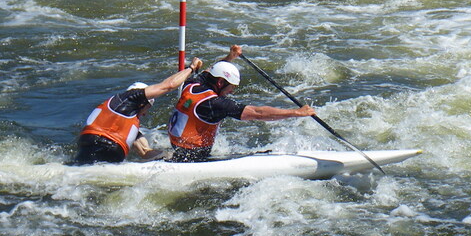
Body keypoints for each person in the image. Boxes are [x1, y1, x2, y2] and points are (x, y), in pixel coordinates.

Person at [167, 45, 315, 162]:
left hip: (177, 147)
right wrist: (296, 113)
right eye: (231, 87)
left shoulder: (192, 84)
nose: (231, 91)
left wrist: (230, 57)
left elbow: (211, 69)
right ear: (220, 82)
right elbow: (258, 113)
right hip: (194, 157)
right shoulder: (215, 104)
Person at [75, 58, 204, 164]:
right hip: (103, 149)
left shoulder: (122, 121)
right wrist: (191, 68)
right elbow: (168, 86)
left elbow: (145, 152)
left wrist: (172, 157)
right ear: (143, 101)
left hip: (88, 152)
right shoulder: (128, 99)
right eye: (148, 107)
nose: (145, 113)